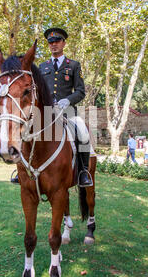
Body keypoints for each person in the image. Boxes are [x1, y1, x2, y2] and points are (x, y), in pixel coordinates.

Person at [11, 27, 93, 187]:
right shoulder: (42, 67)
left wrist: (67, 100)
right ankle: (21, 169)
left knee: (82, 131)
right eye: (50, 42)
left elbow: (81, 91)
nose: (53, 45)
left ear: (63, 43)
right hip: (45, 112)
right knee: (22, 128)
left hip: (67, 111)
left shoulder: (74, 66)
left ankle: (83, 172)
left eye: (57, 41)